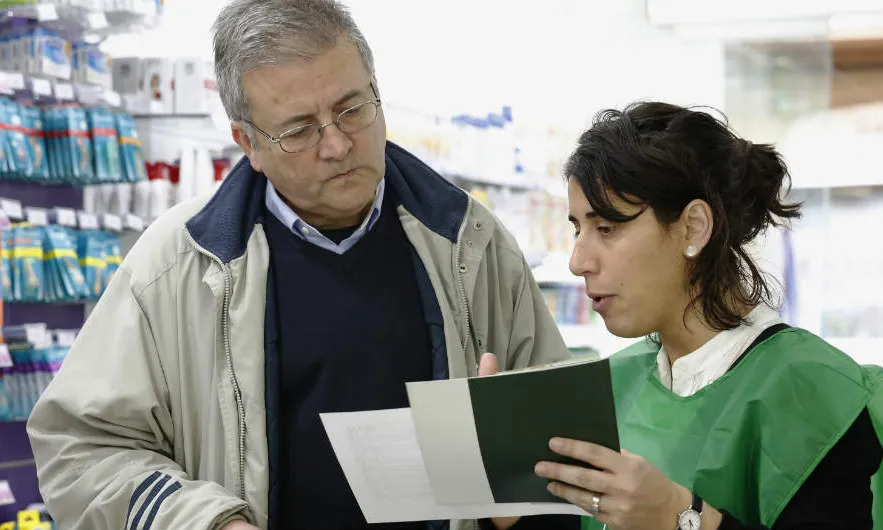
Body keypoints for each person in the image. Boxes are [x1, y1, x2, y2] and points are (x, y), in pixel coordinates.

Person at [24, 1, 573, 529]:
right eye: (299, 129)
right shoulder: (175, 268)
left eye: (352, 109)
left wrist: (517, 490)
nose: (337, 144)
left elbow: (562, 447)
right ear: (248, 143)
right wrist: (206, 523)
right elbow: (81, 447)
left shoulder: (471, 247)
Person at [485, 102, 883, 530]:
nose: (578, 261)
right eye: (576, 229)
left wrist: (680, 518)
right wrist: (508, 502)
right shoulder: (614, 384)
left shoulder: (814, 392)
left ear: (693, 228)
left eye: (607, 228)